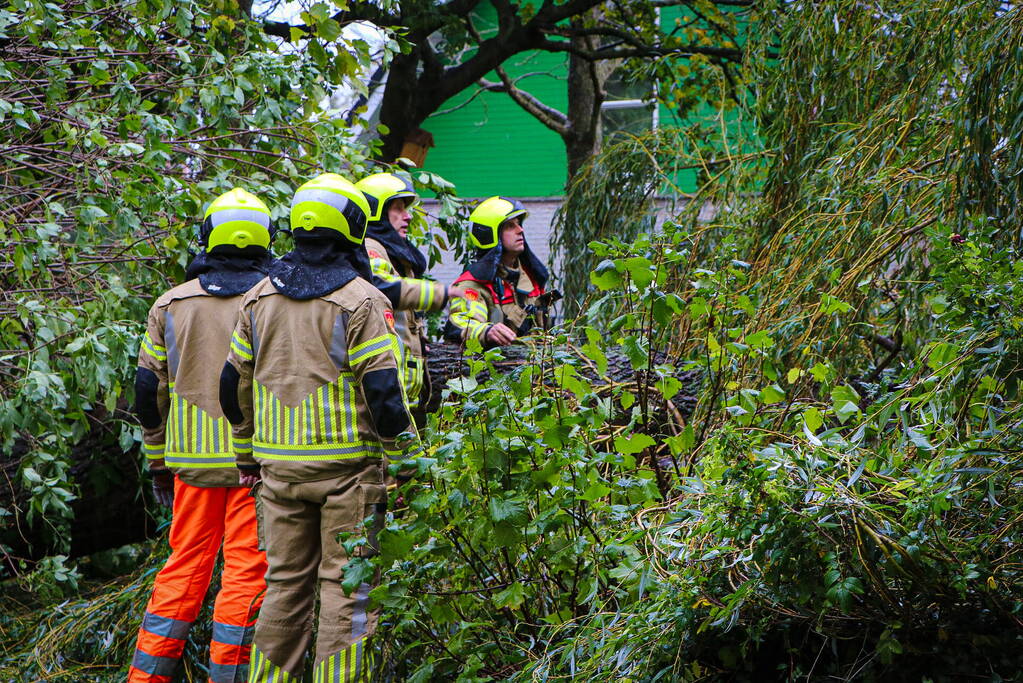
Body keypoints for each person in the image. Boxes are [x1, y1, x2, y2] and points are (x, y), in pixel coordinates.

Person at [219, 172, 419, 683]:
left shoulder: (258, 298)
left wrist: (247, 459)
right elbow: (384, 396)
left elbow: (231, 386)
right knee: (347, 594)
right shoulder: (363, 300)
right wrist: (409, 463)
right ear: (352, 227)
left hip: (279, 474)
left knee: (284, 587)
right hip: (349, 476)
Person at [129, 188, 273, 683]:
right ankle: (227, 676)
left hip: (191, 470)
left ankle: (146, 676)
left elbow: (147, 391)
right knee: (245, 573)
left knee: (183, 567)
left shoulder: (170, 304)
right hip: (256, 466)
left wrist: (157, 463)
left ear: (208, 235)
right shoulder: (272, 299)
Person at [355, 172, 466, 418]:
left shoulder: (395, 256)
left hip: (402, 395)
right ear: (375, 211)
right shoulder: (370, 250)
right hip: (384, 398)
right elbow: (383, 286)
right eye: (397, 208)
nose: (407, 216)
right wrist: (441, 294)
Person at [444, 196, 555, 349]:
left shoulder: (532, 279)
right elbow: (462, 321)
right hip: (493, 369)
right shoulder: (472, 285)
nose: (520, 230)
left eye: (519, 224)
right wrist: (485, 332)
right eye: (510, 226)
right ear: (490, 234)